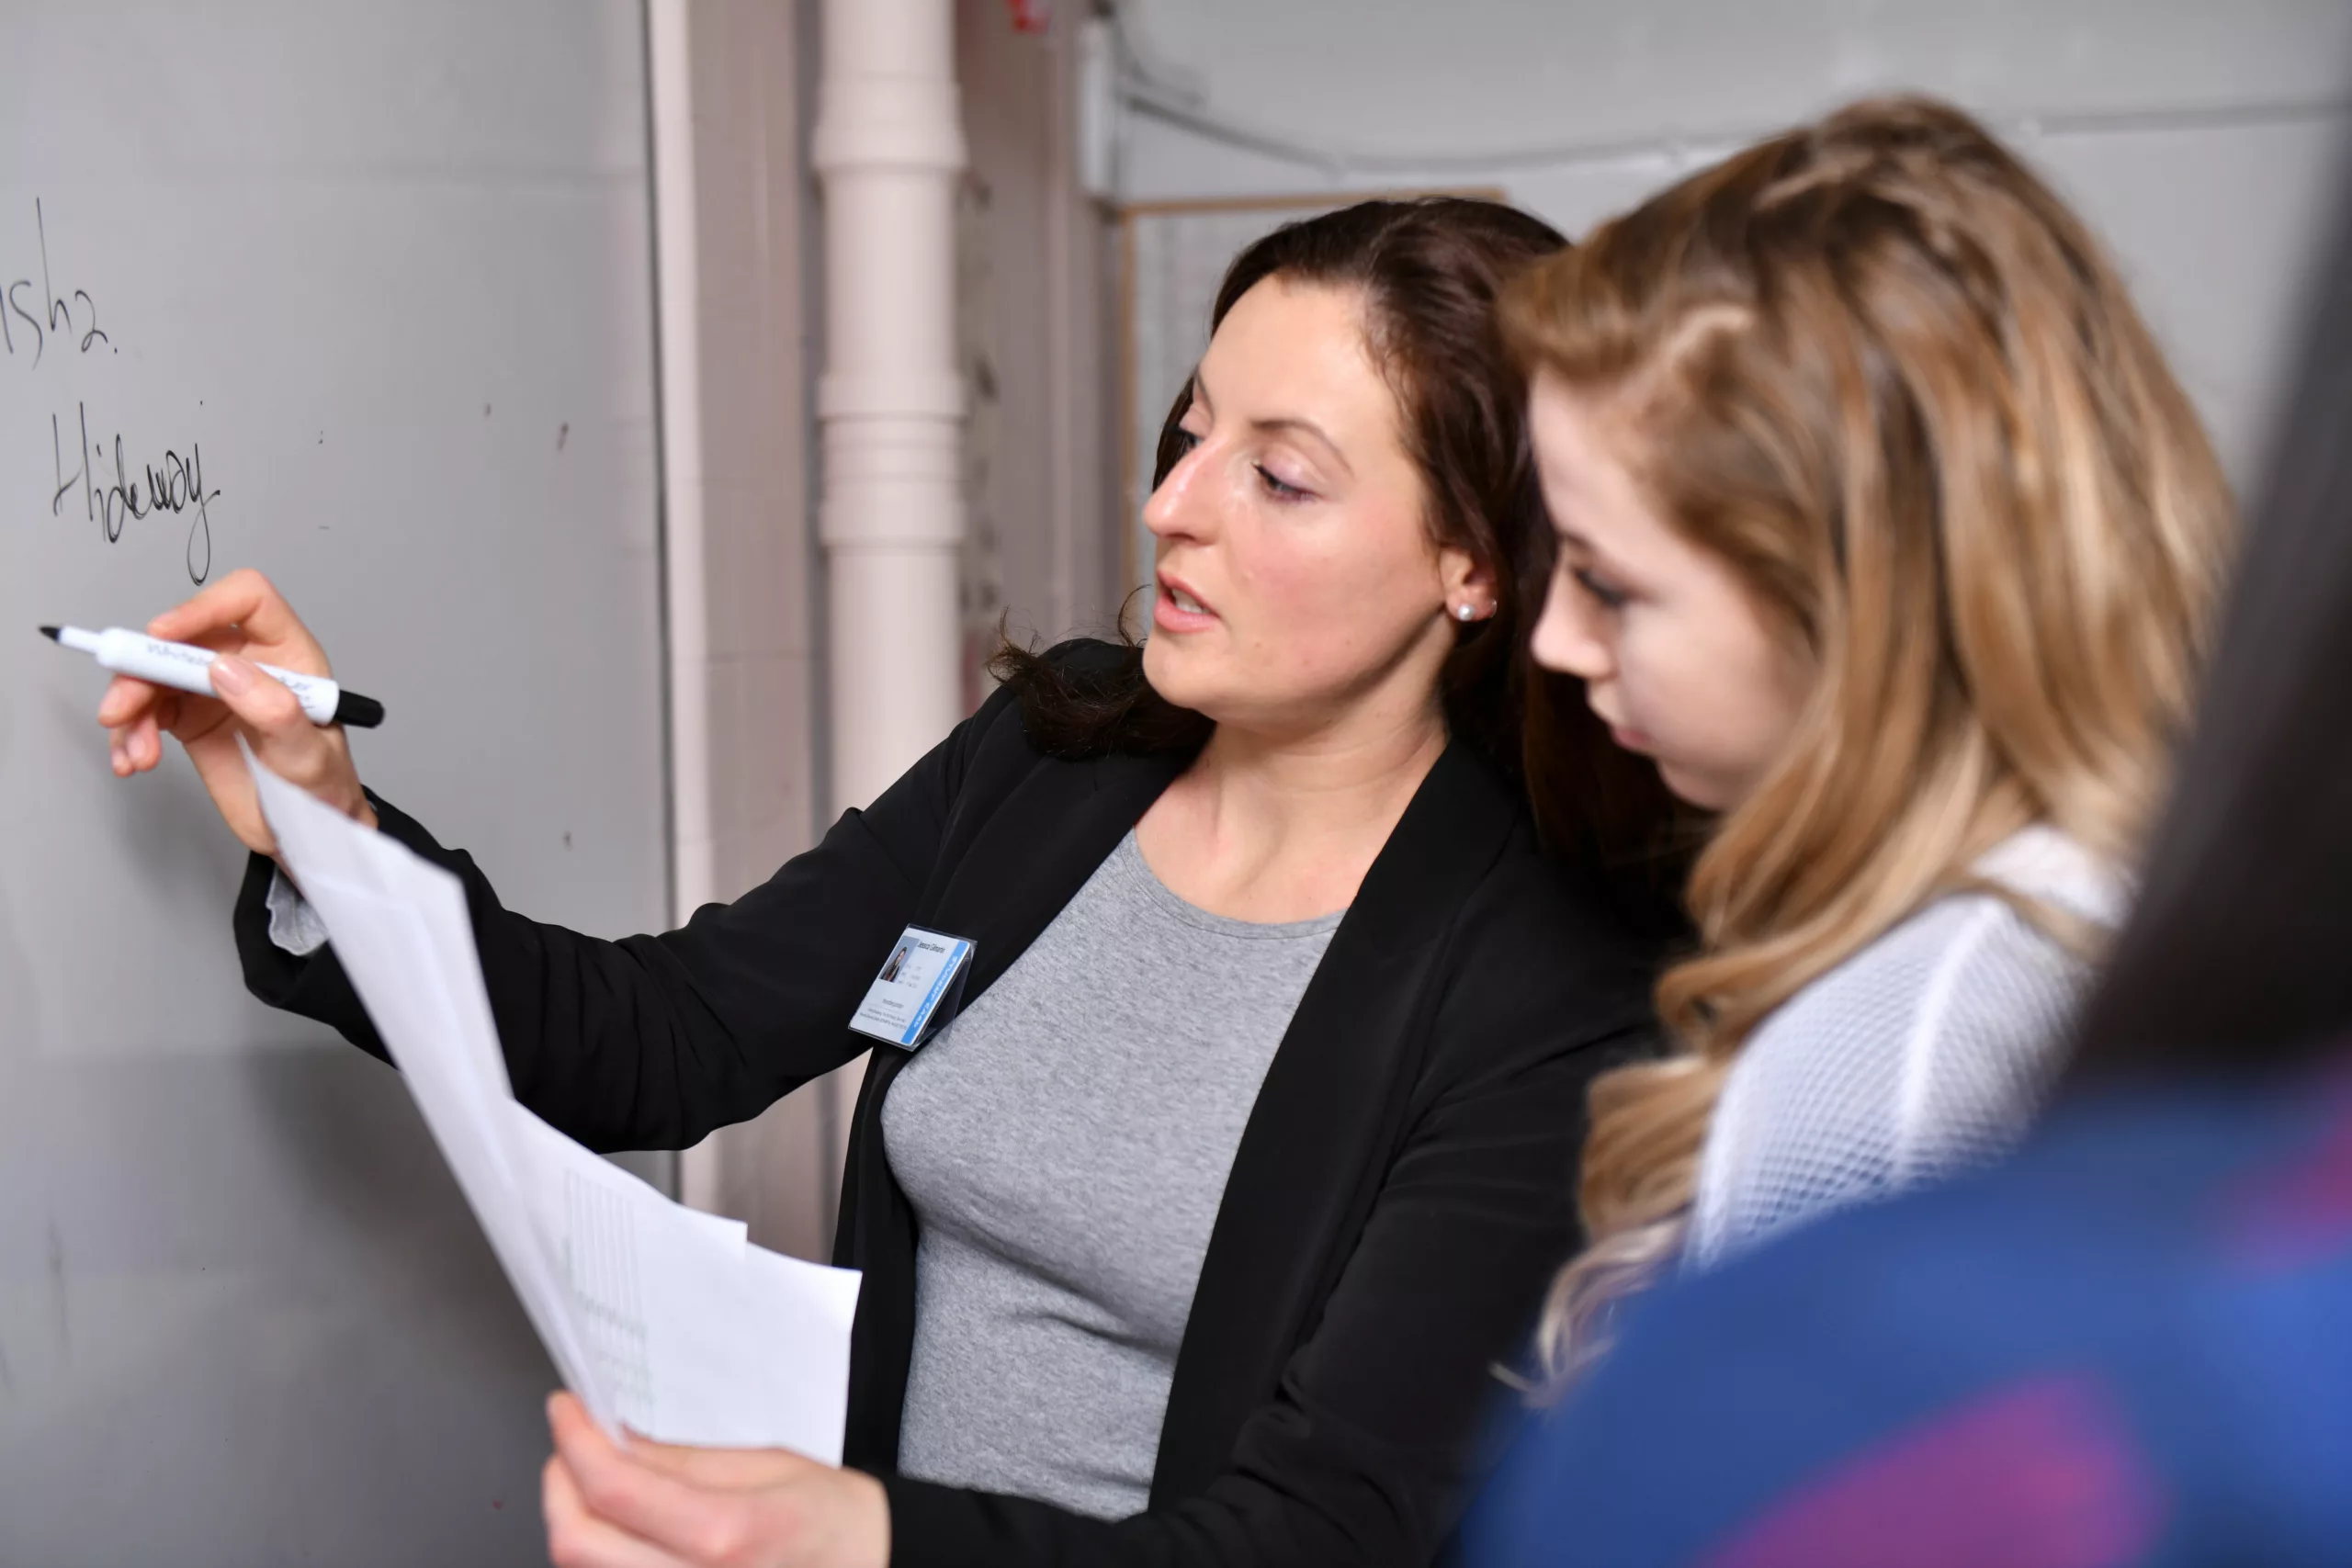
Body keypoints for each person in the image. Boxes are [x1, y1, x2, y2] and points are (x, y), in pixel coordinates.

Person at [97, 199, 1679, 1566]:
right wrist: (327, 816)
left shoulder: (1542, 970)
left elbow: (1321, 1536)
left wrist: (857, 1536)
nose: (1172, 503)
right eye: (1193, 430)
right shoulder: (1058, 754)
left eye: (1282, 477)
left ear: (1475, 559)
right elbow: (673, 1029)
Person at [1466, 112, 2352, 1565]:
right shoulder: (2124, 909)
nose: (1557, 637)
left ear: (1854, 607)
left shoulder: (1904, 1047)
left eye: (1614, 585)